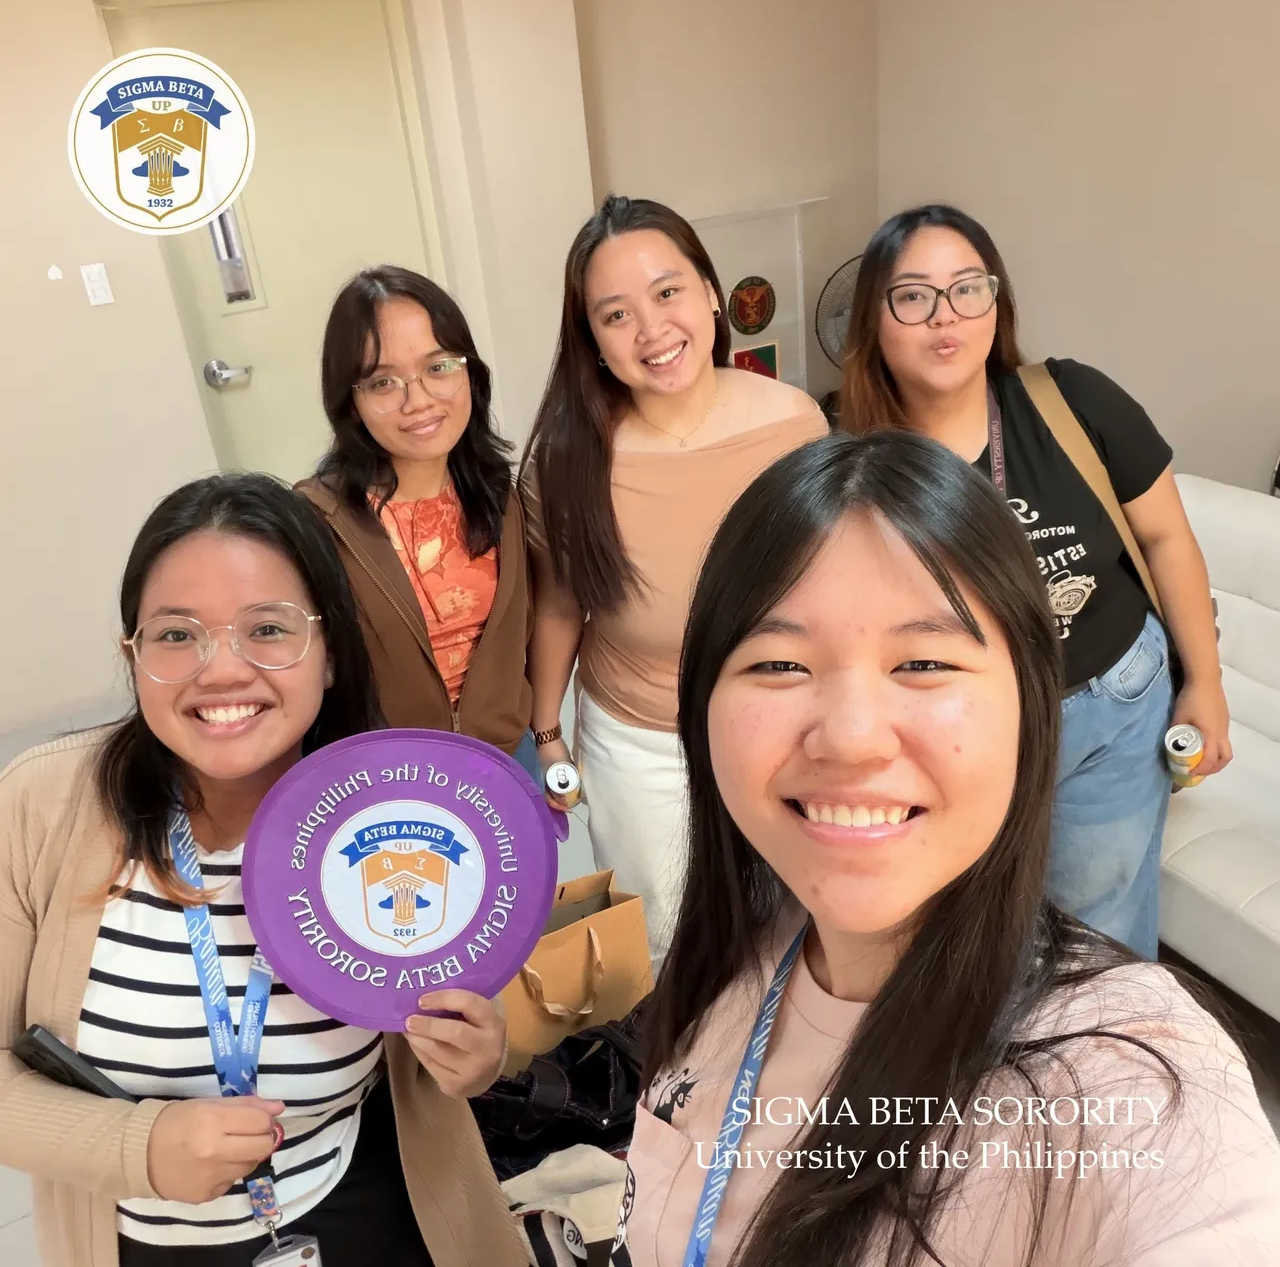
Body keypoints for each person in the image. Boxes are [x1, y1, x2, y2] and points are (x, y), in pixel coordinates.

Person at [612, 433, 1280, 1267]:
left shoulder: (1133, 1076)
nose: (851, 737)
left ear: (1030, 706)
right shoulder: (736, 948)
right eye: (780, 663)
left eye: (924, 661)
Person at [0, 474, 524, 1267]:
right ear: (133, 656)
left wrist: (480, 1054)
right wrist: (137, 1146)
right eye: (177, 635)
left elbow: (460, 1014)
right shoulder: (42, 804)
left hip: (369, 1214)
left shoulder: (397, 814)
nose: (221, 671)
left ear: (331, 653)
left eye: (268, 629)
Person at [837, 204, 1229, 960]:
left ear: (997, 302)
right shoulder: (858, 465)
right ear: (873, 321)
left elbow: (1166, 538)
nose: (945, 315)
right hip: (961, 727)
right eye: (913, 296)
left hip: (1111, 702)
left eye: (967, 288)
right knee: (968, 939)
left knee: (1096, 937)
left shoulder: (1073, 401)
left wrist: (1205, 685)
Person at [520, 195, 828, 967]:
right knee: (668, 942)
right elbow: (558, 604)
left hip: (779, 722)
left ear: (712, 294)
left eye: (668, 292)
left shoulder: (794, 424)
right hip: (641, 741)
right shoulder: (568, 459)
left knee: (791, 925)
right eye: (616, 315)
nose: (652, 329)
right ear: (592, 339)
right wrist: (548, 736)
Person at [297, 265, 537, 781]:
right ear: (351, 401)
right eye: (383, 382)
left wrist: (546, 736)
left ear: (470, 372)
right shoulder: (317, 519)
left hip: (505, 760)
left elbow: (532, 636)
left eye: (438, 367)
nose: (420, 400)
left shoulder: (500, 494)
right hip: (385, 778)